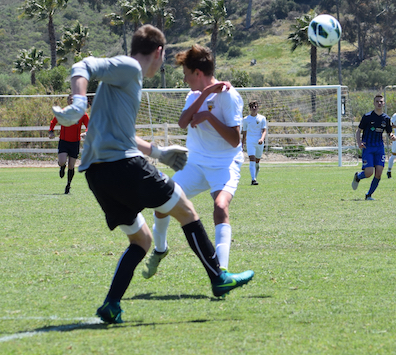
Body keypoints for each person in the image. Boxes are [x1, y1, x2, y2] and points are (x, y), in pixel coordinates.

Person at [51, 25, 254, 324]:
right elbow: (82, 65)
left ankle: (111, 305)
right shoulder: (130, 67)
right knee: (187, 211)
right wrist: (79, 101)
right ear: (158, 52)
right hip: (124, 167)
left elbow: (122, 135)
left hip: (96, 175)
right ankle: (218, 276)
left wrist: (159, 152)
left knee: (140, 242)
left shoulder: (122, 84)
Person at [142, 44, 244, 279]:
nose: (185, 78)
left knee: (220, 207)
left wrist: (208, 115)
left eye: (187, 73)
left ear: (197, 73)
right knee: (161, 201)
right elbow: (183, 122)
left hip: (223, 165)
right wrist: (205, 95)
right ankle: (160, 249)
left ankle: (222, 271)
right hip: (195, 164)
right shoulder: (194, 95)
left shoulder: (229, 96)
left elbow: (234, 140)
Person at [351, 94, 396, 200]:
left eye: (381, 101)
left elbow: (389, 132)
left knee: (379, 173)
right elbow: (359, 130)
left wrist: (392, 136)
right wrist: (359, 142)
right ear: (374, 103)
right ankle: (358, 176)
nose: (379, 103)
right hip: (368, 147)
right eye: (377, 101)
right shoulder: (367, 117)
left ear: (384, 103)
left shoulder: (386, 118)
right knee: (369, 173)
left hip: (379, 148)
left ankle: (368, 195)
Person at [49, 94, 90, 194]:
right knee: (62, 161)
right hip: (64, 141)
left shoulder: (82, 114)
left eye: (74, 100)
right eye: (70, 100)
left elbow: (89, 125)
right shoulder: (63, 112)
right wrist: (51, 131)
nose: (72, 101)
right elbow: (53, 122)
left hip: (75, 143)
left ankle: (68, 185)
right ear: (67, 102)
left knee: (71, 166)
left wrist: (86, 132)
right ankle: (62, 167)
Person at [242, 100, 267, 185]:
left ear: (258, 107)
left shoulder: (262, 118)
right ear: (249, 108)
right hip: (250, 141)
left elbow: (264, 130)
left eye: (255, 106)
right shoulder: (245, 119)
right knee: (252, 159)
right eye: (252, 107)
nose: (254, 108)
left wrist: (262, 139)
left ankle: (255, 177)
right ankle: (253, 179)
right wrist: (242, 144)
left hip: (259, 142)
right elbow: (244, 133)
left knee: (257, 161)